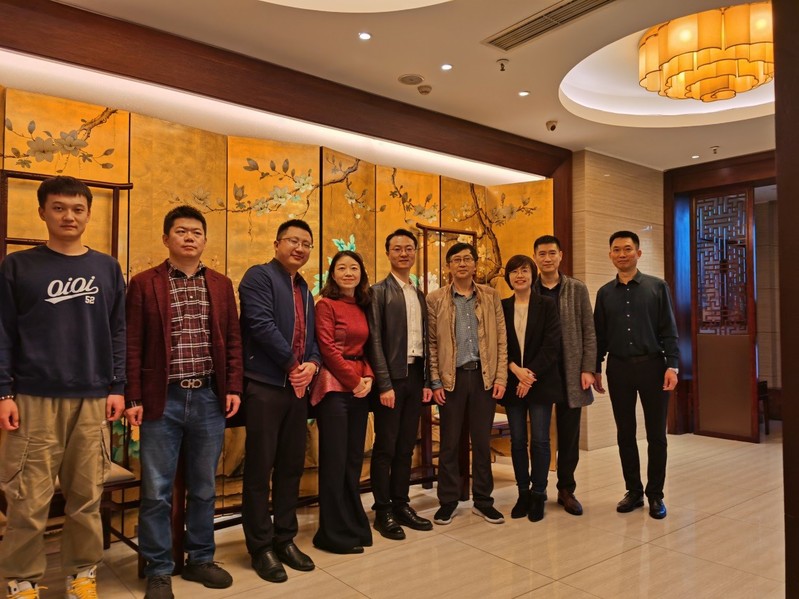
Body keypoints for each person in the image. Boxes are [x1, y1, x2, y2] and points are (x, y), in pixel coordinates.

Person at [0, 176, 126, 599]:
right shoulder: (18, 266)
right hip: (32, 399)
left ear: (88, 214)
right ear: (42, 212)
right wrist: (4, 392)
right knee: (27, 499)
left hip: (92, 398)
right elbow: (2, 332)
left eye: (77, 209)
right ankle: (21, 579)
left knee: (86, 497)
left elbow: (118, 331)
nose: (68, 216)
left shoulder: (107, 268)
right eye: (58, 208)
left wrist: (117, 386)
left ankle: (81, 574)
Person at [124, 205, 243, 598]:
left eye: (196, 232)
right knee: (156, 490)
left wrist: (233, 387)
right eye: (181, 231)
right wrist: (133, 396)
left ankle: (201, 558)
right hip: (162, 400)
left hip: (208, 396)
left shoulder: (221, 285)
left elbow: (233, 340)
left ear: (205, 240)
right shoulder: (144, 283)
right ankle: (159, 568)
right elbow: (132, 344)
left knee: (205, 486)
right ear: (166, 238)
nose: (189, 238)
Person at [239, 219, 320, 582]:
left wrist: (312, 365)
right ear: (276, 244)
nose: (299, 248)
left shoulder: (305, 288)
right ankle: (260, 547)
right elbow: (260, 325)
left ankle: (285, 538)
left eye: (306, 243)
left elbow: (313, 339)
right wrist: (292, 365)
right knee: (260, 469)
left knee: (291, 466)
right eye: (292, 241)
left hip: (297, 389)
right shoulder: (258, 277)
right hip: (265, 386)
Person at [593, 230, 679, 520]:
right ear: (610, 255)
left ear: (638, 253)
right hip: (618, 368)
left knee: (656, 435)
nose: (622, 254)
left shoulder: (657, 287)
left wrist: (672, 365)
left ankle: (656, 495)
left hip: (653, 366)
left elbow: (669, 329)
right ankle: (633, 491)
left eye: (627, 249)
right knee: (625, 433)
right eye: (616, 250)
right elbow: (599, 335)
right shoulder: (605, 293)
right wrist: (595, 368)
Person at [427, 242, 507, 525]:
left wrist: (500, 377)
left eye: (467, 259)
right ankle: (448, 501)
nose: (462, 264)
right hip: (452, 380)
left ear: (475, 264)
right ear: (449, 266)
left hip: (484, 378)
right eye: (456, 260)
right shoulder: (435, 299)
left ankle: (484, 501)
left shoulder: (491, 296)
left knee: (482, 443)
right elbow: (432, 344)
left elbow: (501, 339)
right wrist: (435, 380)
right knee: (449, 443)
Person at [366, 229, 433, 541]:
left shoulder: (419, 294)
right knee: (386, 447)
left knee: (406, 446)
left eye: (409, 248)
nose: (404, 253)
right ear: (388, 253)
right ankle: (383, 510)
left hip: (415, 377)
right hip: (391, 379)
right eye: (397, 248)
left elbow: (427, 342)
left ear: (415, 252)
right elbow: (375, 341)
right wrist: (383, 383)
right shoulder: (378, 292)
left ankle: (401, 503)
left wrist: (427, 380)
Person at [311, 251, 375, 553]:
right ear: (332, 274)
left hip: (360, 387)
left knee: (353, 461)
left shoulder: (363, 305)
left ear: (361, 273)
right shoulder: (325, 304)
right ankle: (331, 534)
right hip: (334, 389)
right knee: (335, 462)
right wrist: (354, 381)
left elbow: (367, 348)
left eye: (354, 268)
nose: (348, 273)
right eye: (342, 268)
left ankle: (353, 525)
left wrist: (369, 378)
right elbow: (327, 349)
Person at [532, 235, 597, 516]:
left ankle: (566, 489)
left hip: (571, 371)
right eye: (542, 254)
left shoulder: (576, 288)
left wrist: (588, 368)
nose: (547, 258)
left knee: (570, 436)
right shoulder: (529, 289)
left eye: (552, 253)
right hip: (540, 373)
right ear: (535, 257)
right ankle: (538, 489)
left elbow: (589, 330)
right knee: (539, 436)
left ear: (561, 255)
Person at [501, 255, 562, 522]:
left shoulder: (546, 305)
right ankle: (522, 493)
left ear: (532, 274)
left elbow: (552, 345)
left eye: (524, 270)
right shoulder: (502, 307)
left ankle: (539, 493)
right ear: (508, 277)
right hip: (512, 382)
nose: (520, 276)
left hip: (541, 382)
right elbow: (498, 344)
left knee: (539, 440)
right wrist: (516, 371)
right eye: (514, 272)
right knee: (517, 441)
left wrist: (529, 375)